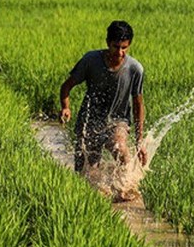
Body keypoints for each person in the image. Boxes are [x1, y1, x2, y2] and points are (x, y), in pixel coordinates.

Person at [60, 20, 147, 175]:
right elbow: (66, 86)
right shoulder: (90, 60)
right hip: (89, 121)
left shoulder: (135, 69)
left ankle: (127, 189)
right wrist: (65, 107)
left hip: (117, 120)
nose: (120, 52)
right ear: (108, 42)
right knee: (87, 171)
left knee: (120, 149)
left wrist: (139, 141)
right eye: (116, 46)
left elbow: (138, 104)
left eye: (124, 48)